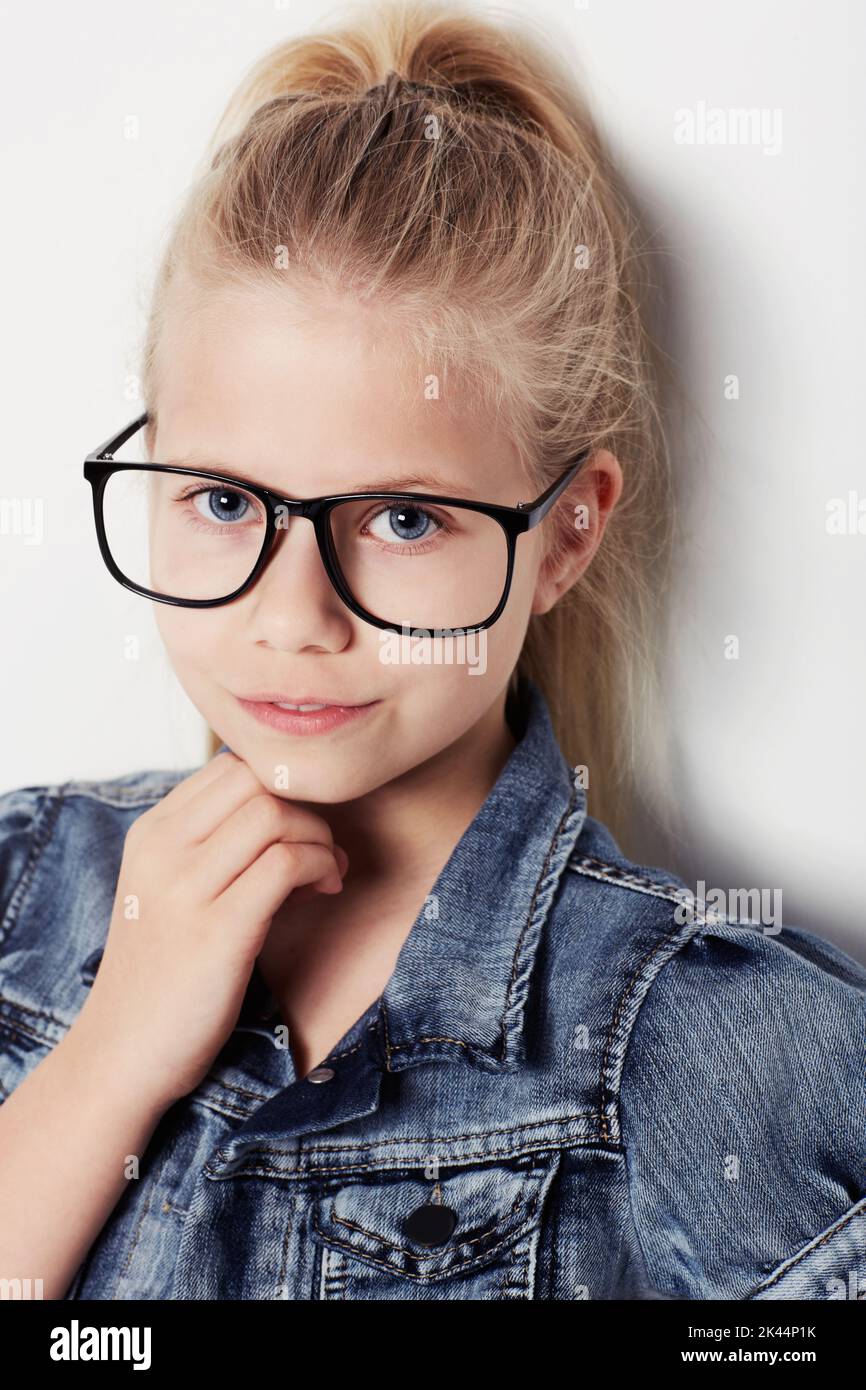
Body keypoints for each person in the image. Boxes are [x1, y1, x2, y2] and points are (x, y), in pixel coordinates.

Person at [0, 0, 863, 1302]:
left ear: (565, 534)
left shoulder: (733, 1046)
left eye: (401, 518)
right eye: (224, 500)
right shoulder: (19, 890)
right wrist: (108, 1057)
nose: (294, 613)